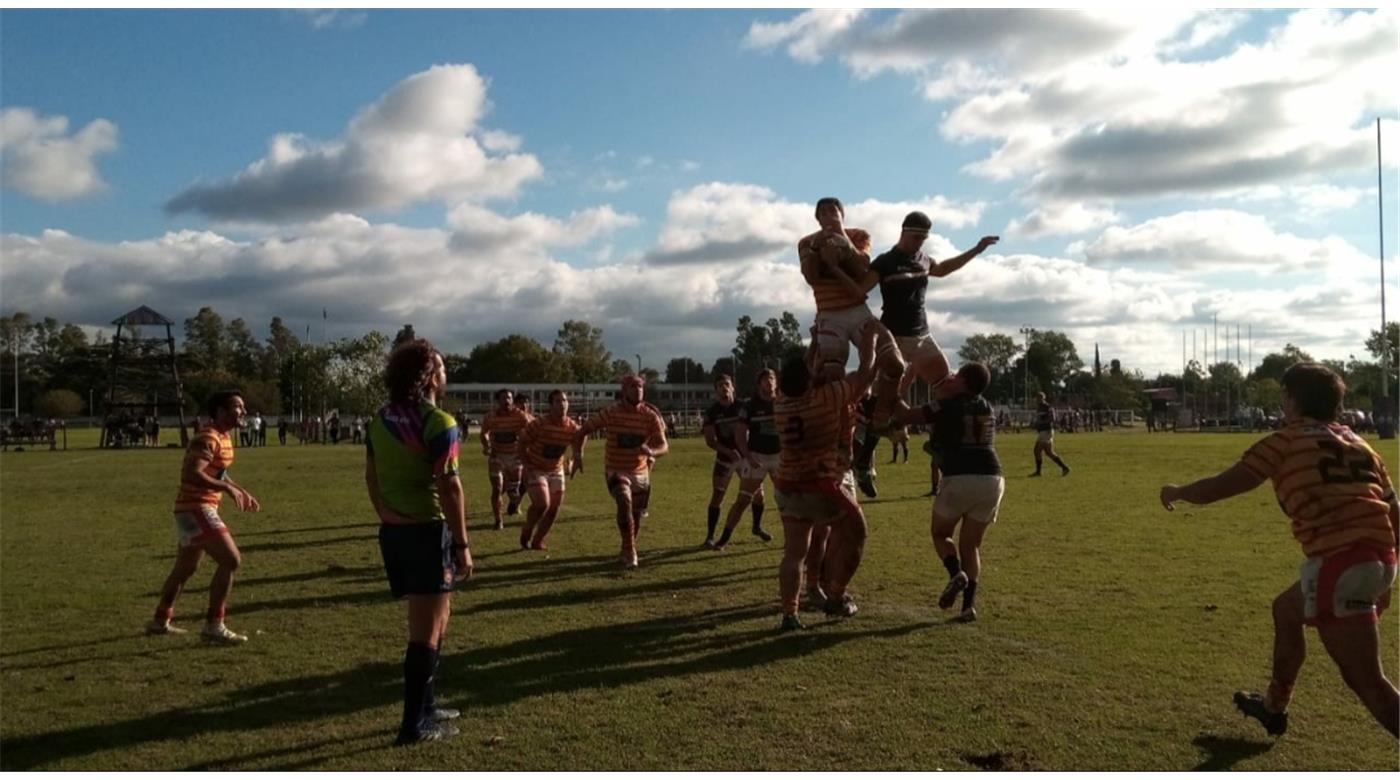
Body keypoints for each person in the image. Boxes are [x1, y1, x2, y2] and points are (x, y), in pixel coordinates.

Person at [1160, 363, 1398, 738]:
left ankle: (1274, 706)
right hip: (1377, 557)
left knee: (1371, 686)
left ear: (1291, 400)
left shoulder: (1284, 441)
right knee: (1286, 610)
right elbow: (1393, 511)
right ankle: (1274, 707)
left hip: (1342, 565)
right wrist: (1383, 575)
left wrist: (1177, 492)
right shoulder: (1360, 445)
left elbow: (1223, 485)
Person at [365, 338, 473, 745]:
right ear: (429, 376)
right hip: (428, 529)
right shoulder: (439, 423)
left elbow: (371, 477)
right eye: (442, 368)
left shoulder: (379, 420)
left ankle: (428, 705)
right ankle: (414, 725)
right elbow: (451, 487)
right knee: (425, 629)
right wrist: (462, 544)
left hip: (394, 530)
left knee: (438, 618)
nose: (447, 375)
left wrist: (388, 515)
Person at [854, 211, 999, 493]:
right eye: (917, 236)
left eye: (924, 238)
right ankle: (864, 463)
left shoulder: (923, 260)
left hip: (922, 335)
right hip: (894, 337)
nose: (921, 243)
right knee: (883, 404)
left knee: (950, 388)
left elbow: (943, 269)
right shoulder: (885, 262)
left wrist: (976, 250)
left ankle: (941, 442)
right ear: (904, 232)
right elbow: (860, 290)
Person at [774, 325, 878, 631]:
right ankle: (836, 596)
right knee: (856, 531)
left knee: (794, 553)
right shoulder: (826, 398)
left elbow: (804, 371)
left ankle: (790, 614)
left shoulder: (780, 401)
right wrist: (869, 341)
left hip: (787, 485)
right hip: (821, 485)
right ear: (809, 382)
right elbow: (865, 373)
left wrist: (815, 343)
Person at [891, 363, 1004, 622]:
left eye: (956, 375)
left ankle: (955, 574)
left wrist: (902, 386)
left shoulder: (949, 405)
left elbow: (906, 415)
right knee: (972, 545)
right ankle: (968, 607)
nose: (949, 377)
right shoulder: (985, 405)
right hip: (993, 478)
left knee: (941, 534)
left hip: (960, 476)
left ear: (964, 381)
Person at [147, 390, 261, 644]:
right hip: (196, 507)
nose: (243, 411)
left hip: (194, 508)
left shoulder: (224, 437)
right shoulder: (208, 437)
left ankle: (160, 619)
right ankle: (214, 624)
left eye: (242, 407)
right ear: (220, 412)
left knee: (185, 568)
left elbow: (217, 473)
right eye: (237, 407)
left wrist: (238, 490)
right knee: (231, 560)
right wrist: (227, 489)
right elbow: (191, 473)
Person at [796, 197, 905, 438]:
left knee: (895, 364)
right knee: (833, 378)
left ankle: (881, 411)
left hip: (857, 311)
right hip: (829, 314)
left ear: (842, 214)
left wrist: (843, 243)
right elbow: (811, 277)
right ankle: (839, 432)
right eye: (822, 212)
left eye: (832, 210)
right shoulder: (806, 242)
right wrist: (817, 250)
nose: (828, 215)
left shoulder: (859, 236)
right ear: (817, 218)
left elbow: (862, 269)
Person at [574, 375, 669, 569]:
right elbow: (583, 430)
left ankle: (627, 547)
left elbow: (664, 445)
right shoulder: (611, 412)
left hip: (641, 472)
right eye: (633, 386)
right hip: (616, 469)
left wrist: (652, 452)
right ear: (624, 390)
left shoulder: (649, 415)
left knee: (635, 515)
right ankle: (631, 551)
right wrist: (578, 455)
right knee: (624, 501)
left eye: (641, 386)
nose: (638, 390)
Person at [714, 368, 779, 549]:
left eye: (772, 378)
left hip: (780, 457)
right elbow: (740, 435)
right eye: (765, 379)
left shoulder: (783, 403)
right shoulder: (750, 406)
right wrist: (748, 456)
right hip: (756, 456)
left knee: (787, 499)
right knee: (743, 500)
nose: (769, 382)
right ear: (759, 385)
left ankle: (794, 538)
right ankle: (724, 538)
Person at [517, 389, 581, 550]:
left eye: (565, 401)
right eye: (558, 401)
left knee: (554, 509)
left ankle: (539, 540)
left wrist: (578, 455)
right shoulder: (539, 424)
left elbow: (582, 434)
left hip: (556, 470)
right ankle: (528, 529)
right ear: (551, 405)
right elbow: (522, 443)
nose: (563, 404)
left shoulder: (571, 426)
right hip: (536, 468)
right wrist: (526, 464)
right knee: (542, 504)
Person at [701, 374, 747, 548]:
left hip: (745, 458)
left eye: (726, 384)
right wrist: (728, 451)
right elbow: (710, 441)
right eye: (720, 385)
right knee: (718, 495)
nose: (724, 388)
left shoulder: (743, 406)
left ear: (733, 387)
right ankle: (710, 536)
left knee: (756, 494)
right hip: (724, 459)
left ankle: (757, 527)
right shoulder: (712, 412)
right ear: (716, 390)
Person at [480, 389, 531, 530]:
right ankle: (498, 520)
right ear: (498, 400)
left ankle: (513, 496)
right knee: (496, 489)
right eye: (503, 398)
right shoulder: (491, 417)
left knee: (514, 490)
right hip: (497, 457)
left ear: (512, 400)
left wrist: (526, 444)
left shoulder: (521, 416)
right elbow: (483, 433)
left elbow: (531, 431)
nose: (506, 401)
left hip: (515, 457)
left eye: (509, 398)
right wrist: (486, 445)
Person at [1030, 392, 1070, 476]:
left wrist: (1041, 422)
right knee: (1049, 452)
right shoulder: (1039, 408)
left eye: (1039, 398)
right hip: (1043, 431)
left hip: (1046, 431)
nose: (1037, 400)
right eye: (1036, 398)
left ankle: (1038, 472)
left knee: (1037, 450)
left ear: (1043, 398)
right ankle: (1065, 468)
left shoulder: (1047, 407)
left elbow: (1053, 418)